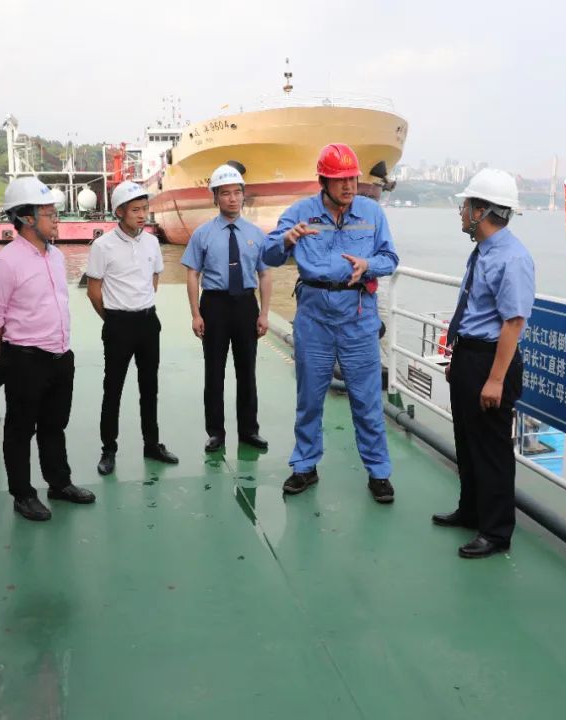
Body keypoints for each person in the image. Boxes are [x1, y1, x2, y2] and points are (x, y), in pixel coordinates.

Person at [262, 143, 398, 503]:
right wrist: (286, 239)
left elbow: (389, 257)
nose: (349, 186)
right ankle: (305, 465)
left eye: (352, 178)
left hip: (358, 316)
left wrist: (368, 265)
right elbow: (267, 254)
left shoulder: (371, 213)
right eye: (340, 180)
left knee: (367, 400)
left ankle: (379, 473)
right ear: (323, 181)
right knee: (309, 397)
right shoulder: (300, 213)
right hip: (314, 318)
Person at [430, 169, 535, 559]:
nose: (461, 212)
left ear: (482, 211)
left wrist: (495, 379)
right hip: (470, 356)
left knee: (491, 449)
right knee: (467, 440)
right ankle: (471, 509)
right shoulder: (484, 252)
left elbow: (513, 322)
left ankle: (496, 530)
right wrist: (457, 358)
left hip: (492, 361)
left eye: (466, 206)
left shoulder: (512, 258)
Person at [0, 176, 95, 521]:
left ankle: (59, 483)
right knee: (20, 430)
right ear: (26, 218)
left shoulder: (56, 256)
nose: (56, 219)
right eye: (49, 213)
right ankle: (23, 494)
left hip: (61, 356)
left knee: (54, 425)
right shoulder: (6, 263)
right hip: (26, 359)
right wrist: (15, 351)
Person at [86, 181, 178, 476]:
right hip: (118, 325)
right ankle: (108, 449)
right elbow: (93, 291)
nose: (142, 215)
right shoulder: (103, 246)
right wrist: (114, 319)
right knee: (112, 389)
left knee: (149, 388)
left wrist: (141, 306)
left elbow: (154, 278)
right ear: (119, 212)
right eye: (135, 210)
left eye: (144, 209)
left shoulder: (151, 242)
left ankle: (151, 444)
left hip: (148, 323)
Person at [181, 164, 271, 453]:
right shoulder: (203, 234)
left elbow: (265, 274)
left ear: (244, 195)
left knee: (247, 371)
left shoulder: (256, 234)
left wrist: (264, 313)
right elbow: (192, 274)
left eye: (237, 193)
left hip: (245, 304)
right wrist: (196, 314)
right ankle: (215, 433)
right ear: (215, 198)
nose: (232, 198)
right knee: (214, 371)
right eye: (225, 193)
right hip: (215, 304)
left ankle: (249, 430)